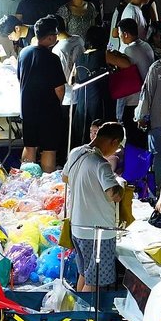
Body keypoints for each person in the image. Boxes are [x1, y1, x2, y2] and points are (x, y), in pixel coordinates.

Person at [64, 121, 124, 292]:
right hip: (98, 233)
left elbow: (65, 177)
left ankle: (77, 311)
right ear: (113, 141)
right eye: (117, 146)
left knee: (84, 274)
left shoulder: (76, 152)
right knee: (95, 282)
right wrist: (121, 186)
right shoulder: (101, 164)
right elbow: (115, 194)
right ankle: (87, 317)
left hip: (77, 228)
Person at [18, 16, 68, 173]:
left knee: (30, 146)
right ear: (51, 36)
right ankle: (46, 185)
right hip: (48, 111)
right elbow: (59, 89)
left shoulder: (24, 53)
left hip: (27, 108)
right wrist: (57, 104)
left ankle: (24, 182)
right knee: (49, 148)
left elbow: (20, 77)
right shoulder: (52, 58)